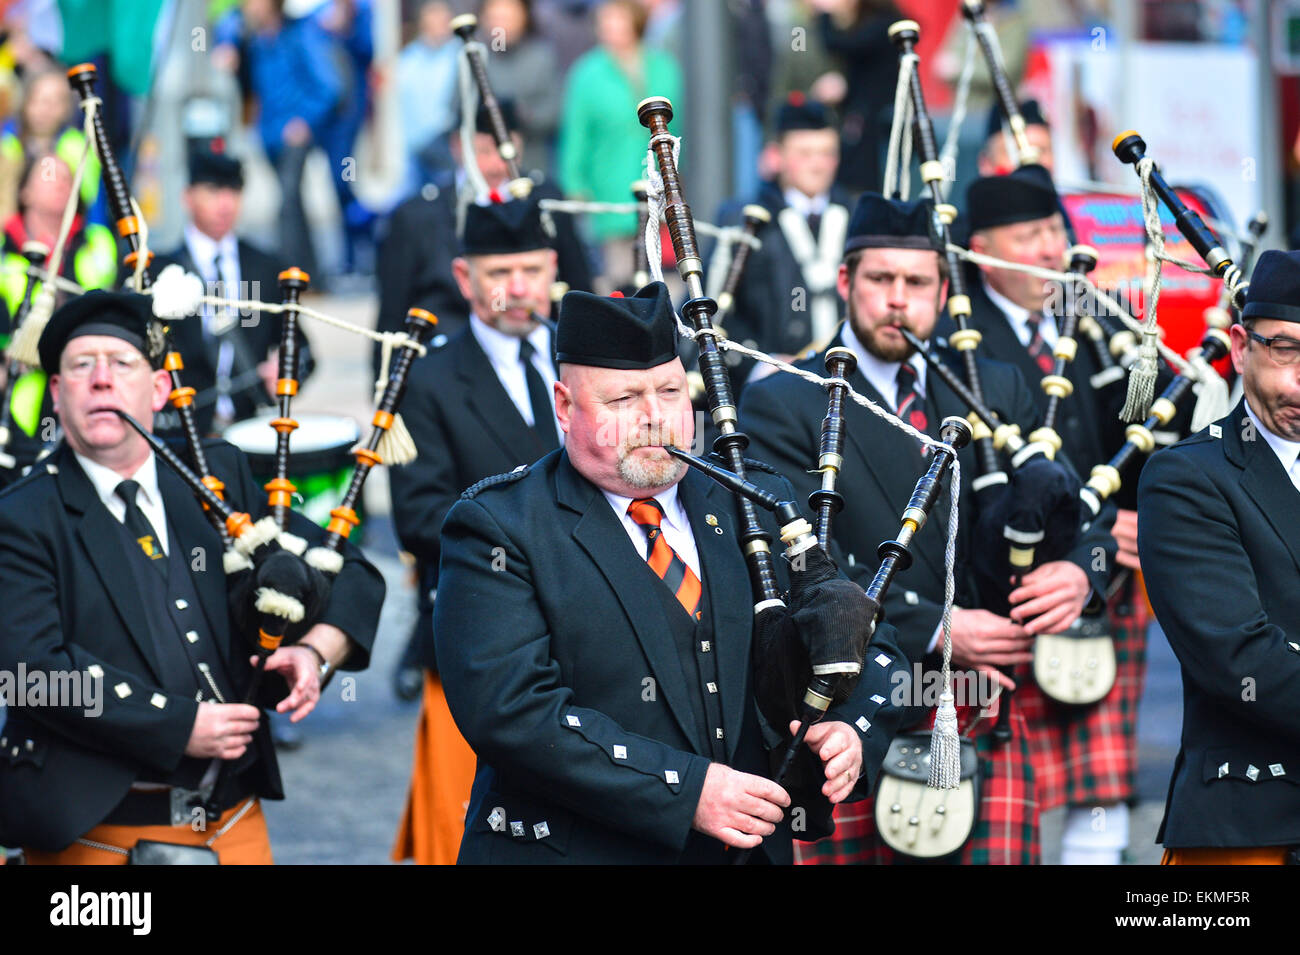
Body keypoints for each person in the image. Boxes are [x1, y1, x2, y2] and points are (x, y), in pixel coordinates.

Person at [435, 281, 910, 863]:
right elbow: (511, 713)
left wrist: (852, 733)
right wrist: (686, 792)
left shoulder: (757, 502)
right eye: (623, 401)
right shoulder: (500, 526)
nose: (656, 419)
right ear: (564, 406)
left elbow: (867, 633)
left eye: (670, 391)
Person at [741, 191, 1114, 864]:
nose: (897, 300)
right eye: (880, 279)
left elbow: (1078, 504)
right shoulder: (785, 399)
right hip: (852, 710)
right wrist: (940, 627)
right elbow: (800, 563)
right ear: (845, 281)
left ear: (942, 291)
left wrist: (1079, 570)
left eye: (916, 282)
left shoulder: (994, 386)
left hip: (980, 705)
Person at [0, 290, 384, 863]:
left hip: (232, 826)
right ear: (57, 393)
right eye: (82, 366)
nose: (102, 380)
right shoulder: (22, 514)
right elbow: (34, 673)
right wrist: (178, 726)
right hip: (96, 836)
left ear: (157, 389)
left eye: (122, 363)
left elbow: (345, 565)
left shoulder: (215, 476)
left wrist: (315, 653)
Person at [961, 166, 1145, 864]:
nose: (1047, 249)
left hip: (1100, 580)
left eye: (1053, 231)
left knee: (1100, 787)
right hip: (999, 594)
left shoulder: (1095, 322)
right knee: (1001, 797)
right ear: (982, 248)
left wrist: (1135, 513)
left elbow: (1135, 432)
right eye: (1027, 234)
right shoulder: (963, 338)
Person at [390, 195, 561, 865]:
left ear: (551, 269)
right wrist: (536, 546)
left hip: (586, 633)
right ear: (465, 279)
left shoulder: (585, 363)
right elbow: (417, 516)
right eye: (499, 273)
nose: (517, 289)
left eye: (529, 269)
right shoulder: (427, 377)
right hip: (477, 635)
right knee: (467, 828)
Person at [1139, 249, 1300, 865]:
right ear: (1240, 346)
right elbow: (1238, 659)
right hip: (1255, 825)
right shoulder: (1186, 477)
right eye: (1285, 349)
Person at [375, 101, 592, 374]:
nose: (495, 166)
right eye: (483, 151)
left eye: (505, 151)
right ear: (458, 146)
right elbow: (393, 312)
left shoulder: (547, 200)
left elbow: (579, 286)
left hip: (539, 354)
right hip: (448, 367)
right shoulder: (417, 215)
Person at [150, 145, 313, 437]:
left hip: (249, 432)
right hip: (177, 435)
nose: (225, 204)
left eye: (234, 191)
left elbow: (302, 350)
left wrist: (286, 373)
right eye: (213, 191)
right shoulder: (156, 271)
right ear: (187, 197)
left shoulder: (264, 268)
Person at [720, 95, 853, 384]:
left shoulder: (856, 217)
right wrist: (758, 362)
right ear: (775, 157)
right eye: (804, 153)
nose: (817, 165)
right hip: (770, 383)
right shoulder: (746, 222)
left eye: (827, 153)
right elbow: (717, 311)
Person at [558, 0, 682, 289]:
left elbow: (678, 126)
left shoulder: (663, 66)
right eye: (606, 22)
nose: (611, 29)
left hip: (660, 190)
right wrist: (575, 186)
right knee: (619, 280)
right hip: (611, 191)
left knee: (665, 280)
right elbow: (576, 135)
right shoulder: (587, 73)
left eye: (618, 20)